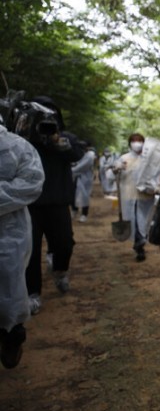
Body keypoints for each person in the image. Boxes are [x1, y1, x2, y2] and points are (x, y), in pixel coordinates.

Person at [24, 96, 85, 315]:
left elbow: (78, 154)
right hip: (30, 205)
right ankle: (33, 293)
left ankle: (60, 271)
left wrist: (60, 143)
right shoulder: (24, 141)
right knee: (29, 251)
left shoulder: (65, 139)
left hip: (58, 203)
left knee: (65, 244)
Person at [0, 113, 45, 368]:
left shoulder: (17, 146)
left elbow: (31, 183)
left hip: (9, 233)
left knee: (9, 284)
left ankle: (12, 335)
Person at [113, 133, 158, 262]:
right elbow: (113, 174)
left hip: (144, 196)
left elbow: (156, 174)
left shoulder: (148, 159)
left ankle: (140, 243)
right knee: (134, 222)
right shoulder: (124, 158)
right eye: (134, 140)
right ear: (130, 143)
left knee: (143, 221)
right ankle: (139, 246)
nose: (137, 143)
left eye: (139, 140)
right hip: (129, 195)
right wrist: (117, 169)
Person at [71, 143, 96, 222]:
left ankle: (84, 214)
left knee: (85, 197)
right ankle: (74, 210)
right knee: (73, 195)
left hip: (85, 179)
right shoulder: (77, 154)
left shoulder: (89, 156)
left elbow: (82, 166)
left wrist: (71, 170)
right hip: (76, 178)